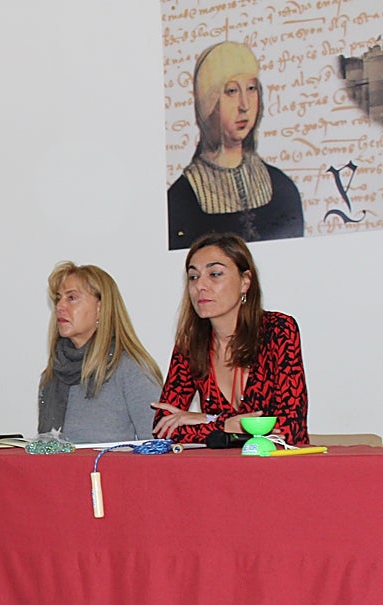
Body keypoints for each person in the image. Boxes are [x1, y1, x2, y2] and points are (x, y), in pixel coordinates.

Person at [153, 232, 308, 445]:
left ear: (245, 282)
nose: (200, 286)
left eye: (215, 274)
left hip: (279, 469)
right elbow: (163, 428)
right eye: (193, 277)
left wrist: (206, 421)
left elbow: (289, 428)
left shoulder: (278, 330)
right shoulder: (190, 344)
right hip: (221, 472)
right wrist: (225, 424)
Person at [167, 40, 304, 250]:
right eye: (231, 91)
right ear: (208, 102)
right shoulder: (181, 198)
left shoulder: (281, 187)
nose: (245, 106)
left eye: (251, 89)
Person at [37, 262, 163, 443]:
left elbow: (156, 447)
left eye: (72, 298)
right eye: (58, 299)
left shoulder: (131, 369)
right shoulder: (51, 376)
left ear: (100, 308)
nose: (60, 307)